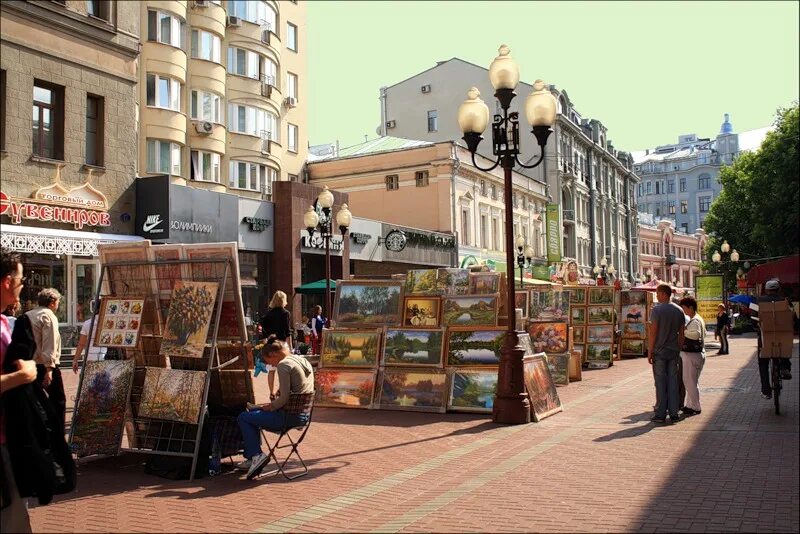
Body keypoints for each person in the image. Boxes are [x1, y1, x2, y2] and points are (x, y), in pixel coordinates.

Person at [236, 335, 314, 480]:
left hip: (287, 417)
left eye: (268, 361)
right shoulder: (302, 360)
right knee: (254, 413)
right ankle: (251, 455)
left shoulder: (284, 365)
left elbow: (283, 399)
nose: (269, 365)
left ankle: (256, 455)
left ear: (273, 354)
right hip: (302, 414)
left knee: (244, 417)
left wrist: (269, 407)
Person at [0, 248, 36, 533]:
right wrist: (22, 375)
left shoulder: (5, 322)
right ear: (7, 281)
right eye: (22, 280)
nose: (23, 286)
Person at [25, 288, 65, 433]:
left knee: (34, 401)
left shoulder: (27, 315)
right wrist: (49, 369)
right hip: (44, 365)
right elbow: (50, 343)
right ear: (53, 302)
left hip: (28, 364)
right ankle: (57, 435)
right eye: (58, 302)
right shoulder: (48, 316)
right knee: (58, 401)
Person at [648, 283, 686, 424]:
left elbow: (653, 332)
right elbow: (682, 333)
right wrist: (679, 347)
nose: (657, 297)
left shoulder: (656, 310)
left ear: (664, 294)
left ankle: (660, 413)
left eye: (658, 294)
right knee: (673, 381)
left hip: (659, 351)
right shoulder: (679, 310)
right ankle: (674, 412)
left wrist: (650, 351)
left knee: (660, 382)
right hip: (674, 351)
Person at [756, 279, 792, 399]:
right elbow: (792, 317)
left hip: (765, 336)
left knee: (763, 362)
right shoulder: (785, 300)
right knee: (785, 348)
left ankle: (766, 390)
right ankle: (785, 367)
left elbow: (754, 316)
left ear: (766, 290)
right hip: (782, 335)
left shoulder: (760, 301)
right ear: (778, 289)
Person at [258, 291, 293, 397]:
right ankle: (280, 391)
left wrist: (265, 344)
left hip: (270, 345)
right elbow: (287, 332)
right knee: (284, 371)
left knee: (271, 371)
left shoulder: (268, 314)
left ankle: (271, 392)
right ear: (284, 300)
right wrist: (290, 347)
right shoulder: (286, 313)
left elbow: (262, 331)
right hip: (282, 346)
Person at [679, 296, 706, 416]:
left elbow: (696, 335)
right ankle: (690, 405)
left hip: (692, 355)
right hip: (697, 354)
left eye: (684, 308)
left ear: (690, 307)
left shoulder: (694, 320)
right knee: (692, 381)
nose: (683, 310)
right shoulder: (697, 318)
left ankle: (695, 406)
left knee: (689, 381)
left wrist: (683, 332)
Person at [72, 299, 107, 375]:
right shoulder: (108, 322)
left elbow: (81, 344)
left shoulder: (88, 323)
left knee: (90, 382)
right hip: (105, 356)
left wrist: (75, 360)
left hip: (90, 357)